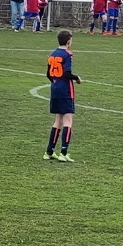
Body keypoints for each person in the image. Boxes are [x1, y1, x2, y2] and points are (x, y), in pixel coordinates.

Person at [44, 30, 80, 162]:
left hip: (55, 89)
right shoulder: (67, 54)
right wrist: (77, 78)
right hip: (66, 90)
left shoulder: (52, 54)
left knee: (58, 121)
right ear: (69, 41)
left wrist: (56, 82)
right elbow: (66, 73)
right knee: (68, 121)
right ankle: (63, 153)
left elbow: (48, 74)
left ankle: (49, 151)